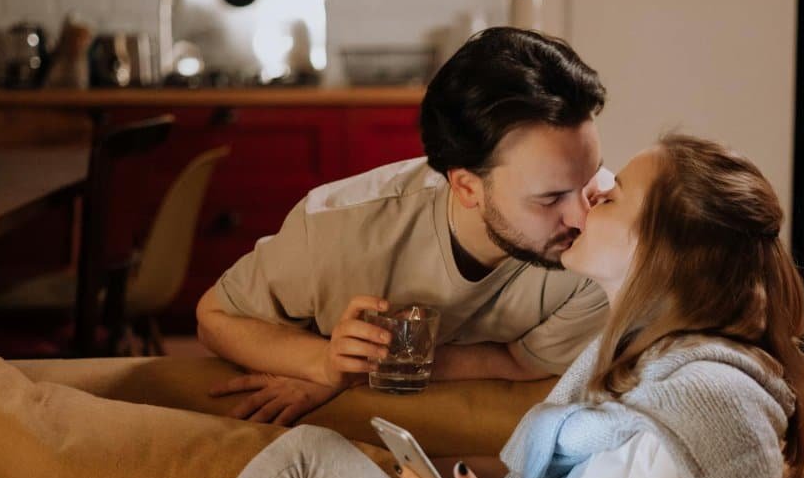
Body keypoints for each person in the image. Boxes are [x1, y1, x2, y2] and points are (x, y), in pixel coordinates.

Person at [84, 134, 804, 478]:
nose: (587, 196)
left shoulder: (709, 416)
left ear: (660, 253)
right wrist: (423, 475)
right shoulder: (643, 371)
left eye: (611, 194)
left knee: (308, 457)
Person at [196, 27, 612, 424]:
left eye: (590, 177)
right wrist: (322, 364)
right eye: (550, 198)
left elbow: (522, 361)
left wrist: (363, 372)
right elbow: (215, 316)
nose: (583, 217)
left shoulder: (605, 250)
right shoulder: (337, 229)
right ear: (467, 187)